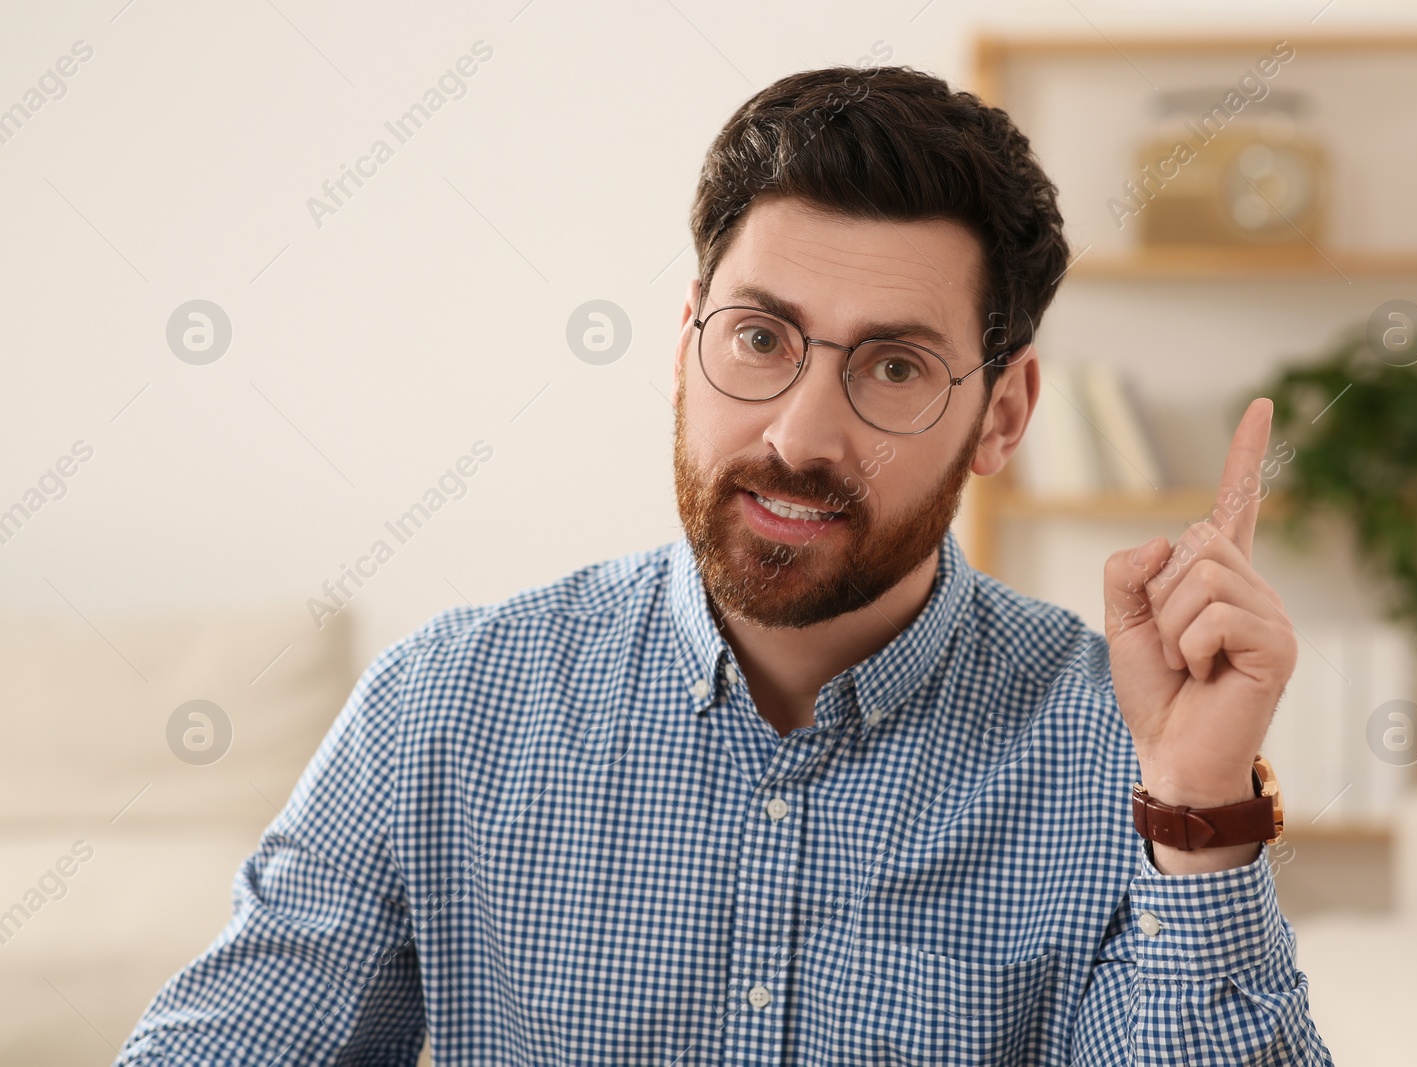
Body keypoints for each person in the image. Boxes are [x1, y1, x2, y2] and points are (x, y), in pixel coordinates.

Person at [115, 64, 1332, 1065]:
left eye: (893, 367)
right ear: (688, 337)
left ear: (1003, 414)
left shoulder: (1116, 753)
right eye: (759, 338)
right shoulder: (443, 707)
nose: (799, 434)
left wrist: (1200, 814)